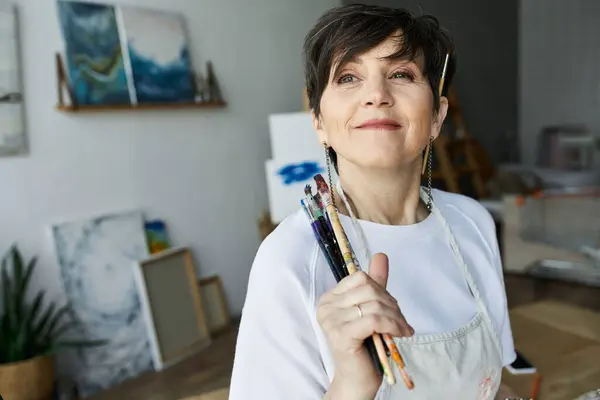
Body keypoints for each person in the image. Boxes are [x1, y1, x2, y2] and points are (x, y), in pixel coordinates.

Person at [229, 4, 517, 399]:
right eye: (348, 77)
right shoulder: (290, 260)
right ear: (318, 121)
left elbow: (494, 387)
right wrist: (352, 381)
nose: (376, 95)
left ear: (437, 116)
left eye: (401, 74)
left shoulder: (472, 223)